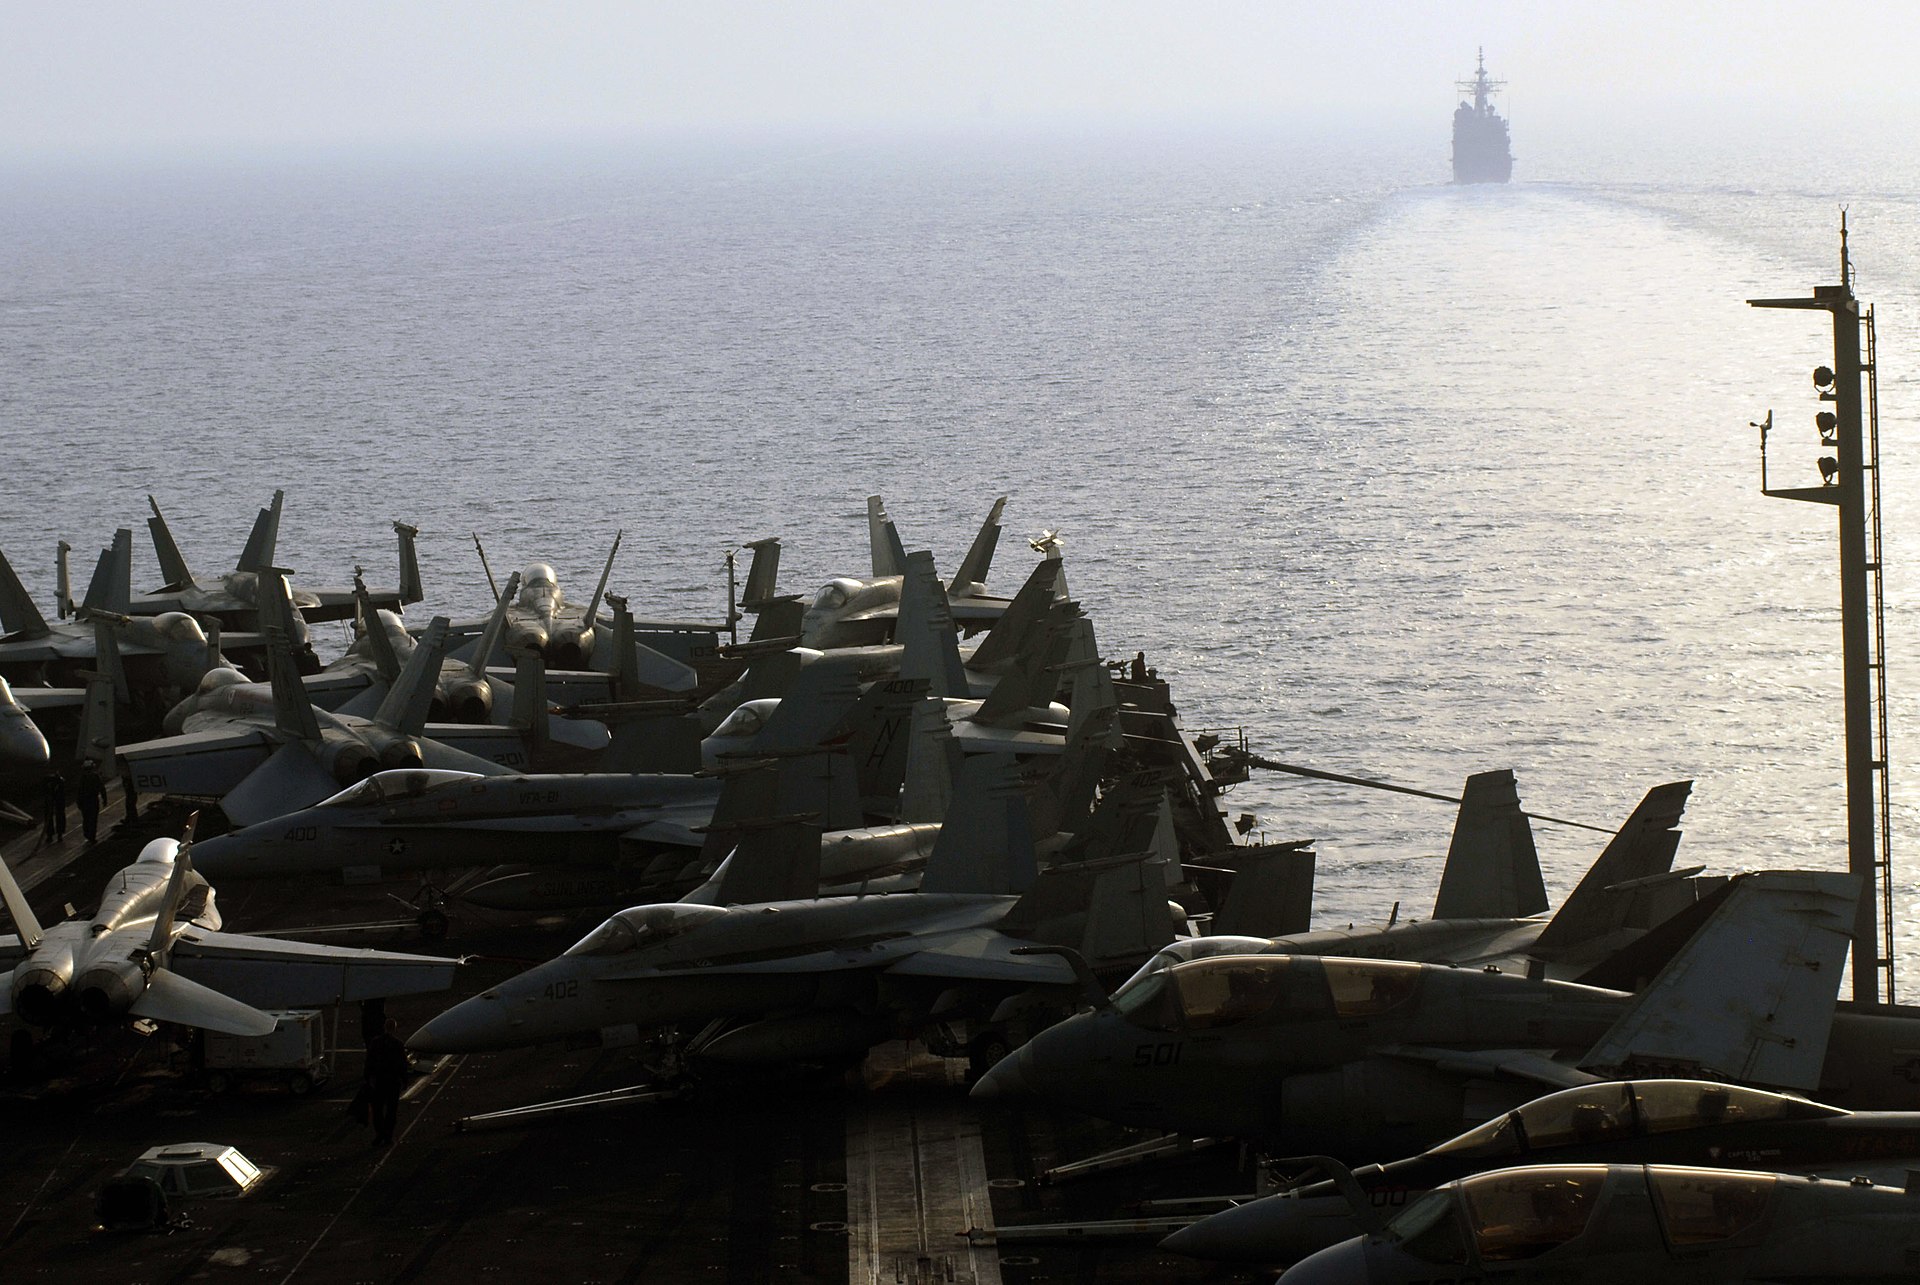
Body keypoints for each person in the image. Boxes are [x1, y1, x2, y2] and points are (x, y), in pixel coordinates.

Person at [364, 1017, 409, 1148]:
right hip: (393, 1082)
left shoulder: (375, 1042)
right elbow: (403, 1064)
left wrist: (368, 1077)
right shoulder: (398, 1044)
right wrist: (404, 1080)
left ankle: (380, 1134)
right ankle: (387, 1136)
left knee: (377, 1111)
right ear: (395, 1029)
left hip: (379, 1081)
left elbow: (369, 1061)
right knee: (391, 1111)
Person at [73, 759, 106, 844]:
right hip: (92, 801)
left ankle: (88, 835)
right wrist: (104, 799)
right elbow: (102, 788)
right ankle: (91, 835)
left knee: (87, 819)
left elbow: (79, 791)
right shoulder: (95, 777)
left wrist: (79, 802)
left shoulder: (83, 778)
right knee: (92, 819)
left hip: (86, 801)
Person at [41, 768, 66, 842]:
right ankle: (56, 834)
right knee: (59, 815)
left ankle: (54, 834)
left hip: (56, 798)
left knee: (58, 815)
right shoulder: (56, 781)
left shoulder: (56, 782)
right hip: (54, 798)